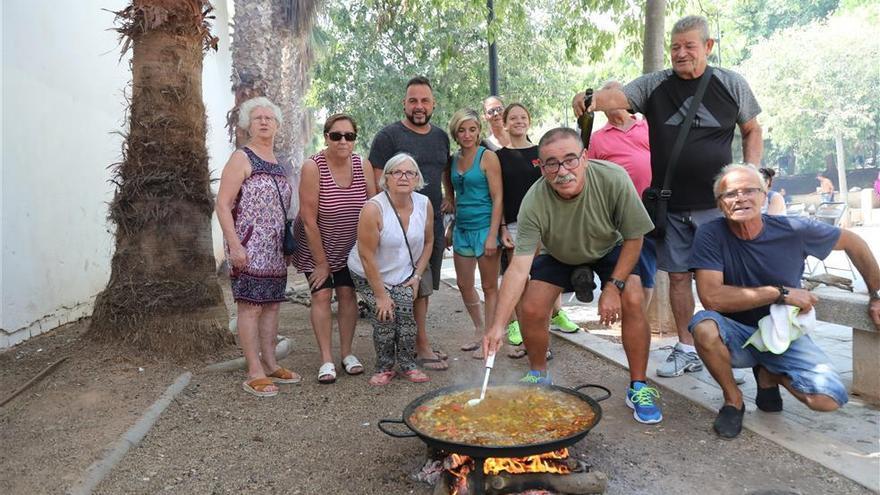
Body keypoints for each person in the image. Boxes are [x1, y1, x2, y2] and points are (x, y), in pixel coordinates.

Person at [573, 15, 763, 379]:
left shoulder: (731, 84)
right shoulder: (656, 84)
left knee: (723, 283)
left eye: (690, 46)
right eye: (675, 47)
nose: (681, 53)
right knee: (677, 278)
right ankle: (687, 348)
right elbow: (618, 96)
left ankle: (728, 348)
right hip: (671, 204)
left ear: (708, 47)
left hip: (718, 208)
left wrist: (751, 171)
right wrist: (589, 98)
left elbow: (752, 128)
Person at [484, 128, 663, 424]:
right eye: (551, 164)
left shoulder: (614, 178)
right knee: (531, 307)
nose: (562, 170)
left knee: (632, 297)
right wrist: (498, 326)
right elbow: (518, 268)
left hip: (610, 245)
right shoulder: (534, 201)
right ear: (541, 168)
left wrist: (613, 287)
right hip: (559, 252)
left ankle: (639, 386)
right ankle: (539, 374)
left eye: (570, 160)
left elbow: (634, 238)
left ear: (586, 158)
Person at [688, 164, 880, 438]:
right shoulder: (710, 234)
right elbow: (712, 298)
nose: (740, 198)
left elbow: (853, 242)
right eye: (730, 194)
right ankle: (734, 400)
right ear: (720, 204)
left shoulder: (793, 229)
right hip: (736, 334)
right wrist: (780, 293)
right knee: (703, 326)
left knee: (828, 398)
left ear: (765, 195)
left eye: (749, 191)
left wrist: (877, 294)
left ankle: (770, 373)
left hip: (783, 333)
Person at [216, 96, 301, 397]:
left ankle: (270, 363)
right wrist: (235, 245)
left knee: (272, 306)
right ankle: (254, 370)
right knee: (250, 307)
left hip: (275, 249)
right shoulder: (242, 158)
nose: (264, 122)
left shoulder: (279, 163)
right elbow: (223, 205)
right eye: (257, 118)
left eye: (269, 118)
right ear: (247, 125)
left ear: (277, 125)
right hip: (249, 246)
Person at [369, 76, 452, 371]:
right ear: (404, 103)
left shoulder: (441, 136)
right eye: (413, 101)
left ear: (433, 104)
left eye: (425, 101)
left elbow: (445, 171)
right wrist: (384, 219)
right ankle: (416, 346)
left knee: (423, 284)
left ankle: (417, 342)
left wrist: (449, 199)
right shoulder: (388, 137)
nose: (419, 106)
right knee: (400, 283)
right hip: (397, 225)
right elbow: (376, 179)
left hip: (429, 222)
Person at [294, 114, 377, 384]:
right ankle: (326, 359)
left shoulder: (362, 165)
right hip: (316, 244)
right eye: (336, 135)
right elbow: (308, 218)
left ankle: (347, 353)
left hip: (349, 246)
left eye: (349, 136)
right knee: (321, 295)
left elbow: (374, 208)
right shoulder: (313, 167)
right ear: (326, 136)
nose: (343, 141)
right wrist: (321, 263)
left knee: (347, 295)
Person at [496, 103, 579, 360]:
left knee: (546, 280)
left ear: (529, 121)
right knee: (521, 281)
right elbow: (497, 195)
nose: (519, 121)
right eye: (513, 118)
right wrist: (501, 228)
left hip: (547, 223)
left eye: (523, 117)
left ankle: (547, 331)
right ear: (505, 123)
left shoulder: (541, 153)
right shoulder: (498, 156)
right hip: (515, 225)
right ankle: (524, 336)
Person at [349, 153, 434, 385]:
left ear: (417, 179)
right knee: (385, 315)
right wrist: (380, 295)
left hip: (404, 272)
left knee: (406, 315)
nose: (404, 177)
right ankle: (384, 366)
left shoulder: (424, 204)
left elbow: (429, 242)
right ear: (386, 178)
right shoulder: (373, 209)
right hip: (369, 271)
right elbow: (366, 256)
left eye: (410, 173)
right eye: (397, 172)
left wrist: (417, 275)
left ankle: (407, 364)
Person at [587, 81, 656, 309]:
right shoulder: (597, 138)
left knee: (648, 267)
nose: (611, 99)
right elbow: (591, 174)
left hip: (652, 206)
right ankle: (633, 314)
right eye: (606, 96)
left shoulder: (648, 126)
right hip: (618, 212)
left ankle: (640, 316)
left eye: (616, 94)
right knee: (631, 264)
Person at [448, 108, 504, 358]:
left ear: (479, 131)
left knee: (490, 286)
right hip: (462, 228)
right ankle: (479, 328)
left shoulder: (487, 157)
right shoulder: (453, 160)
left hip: (485, 228)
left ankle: (490, 337)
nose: (467, 134)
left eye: (472, 129)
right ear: (456, 134)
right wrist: (451, 215)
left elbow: (498, 196)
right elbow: (450, 189)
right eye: (462, 130)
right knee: (464, 284)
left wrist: (494, 234)